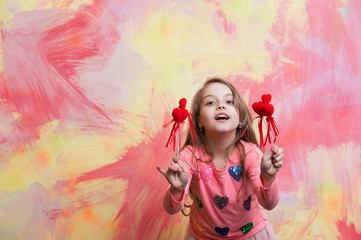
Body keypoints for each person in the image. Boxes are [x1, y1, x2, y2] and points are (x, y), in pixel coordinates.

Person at [157, 77, 284, 240]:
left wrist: (267, 176)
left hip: (250, 235)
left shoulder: (252, 154)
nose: (221, 105)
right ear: (199, 121)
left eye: (229, 101)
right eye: (210, 102)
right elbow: (170, 208)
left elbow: (269, 204)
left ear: (241, 119)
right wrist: (177, 189)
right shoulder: (188, 157)